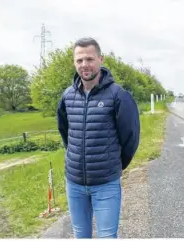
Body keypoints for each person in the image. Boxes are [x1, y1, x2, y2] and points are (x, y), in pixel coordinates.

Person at [56, 37, 140, 238]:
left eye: (89, 59)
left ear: (100, 59)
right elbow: (66, 133)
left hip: (106, 185)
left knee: (106, 236)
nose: (85, 64)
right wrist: (74, 159)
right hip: (74, 184)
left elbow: (130, 138)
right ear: (74, 63)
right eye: (79, 60)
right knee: (80, 234)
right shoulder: (67, 96)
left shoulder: (118, 95)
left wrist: (114, 166)